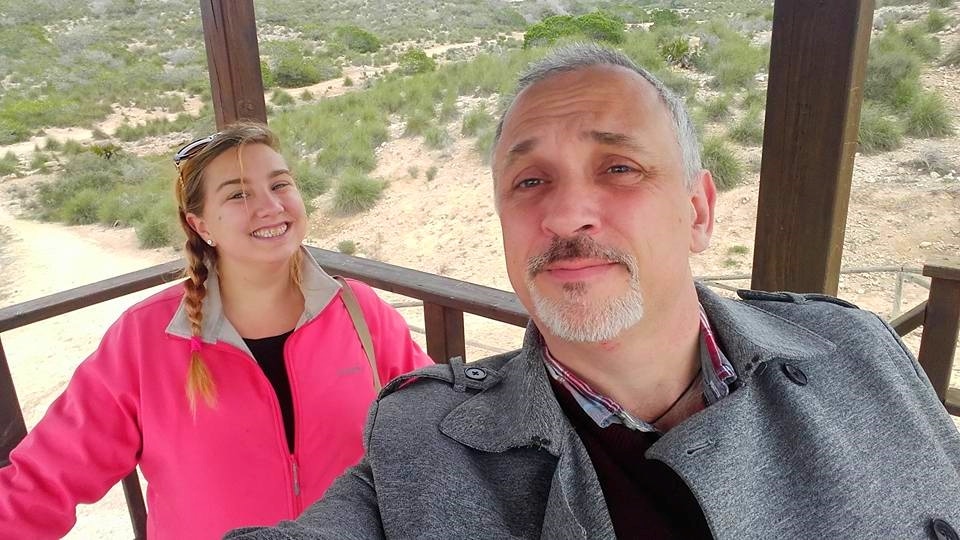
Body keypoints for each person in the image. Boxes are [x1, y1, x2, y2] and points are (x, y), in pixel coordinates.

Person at [226, 44, 960, 540]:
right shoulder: (424, 441)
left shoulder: (858, 351)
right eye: (530, 180)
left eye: (618, 168)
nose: (565, 214)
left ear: (698, 212)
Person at [0, 122, 432, 539]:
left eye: (280, 184)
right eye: (239, 194)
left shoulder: (359, 311)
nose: (270, 206)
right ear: (201, 225)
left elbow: (434, 418)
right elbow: (44, 480)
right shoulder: (145, 339)